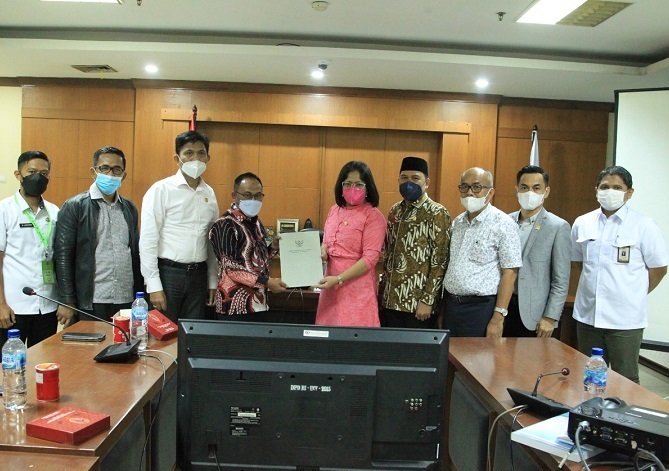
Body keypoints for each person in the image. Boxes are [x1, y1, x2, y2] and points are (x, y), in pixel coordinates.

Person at [572, 165, 668, 383]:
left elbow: (659, 269)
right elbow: (579, 262)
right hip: (588, 317)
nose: (610, 191)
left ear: (629, 193)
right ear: (596, 190)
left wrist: (634, 293)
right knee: (590, 377)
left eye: (617, 187)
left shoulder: (644, 225)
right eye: (605, 187)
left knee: (626, 380)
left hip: (625, 322)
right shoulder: (582, 222)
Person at [53, 146, 142, 325]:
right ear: (93, 172)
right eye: (104, 168)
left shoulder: (129, 208)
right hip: (91, 299)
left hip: (125, 296)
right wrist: (67, 299)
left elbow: (134, 253)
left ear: (124, 175)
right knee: (92, 343)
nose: (110, 174)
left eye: (117, 169)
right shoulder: (75, 206)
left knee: (124, 342)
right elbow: (63, 256)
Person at [139, 131, 219, 322]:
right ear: (177, 158)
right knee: (163, 333)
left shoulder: (209, 193)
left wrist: (212, 280)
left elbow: (211, 242)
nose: (195, 159)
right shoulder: (161, 190)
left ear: (208, 158)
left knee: (193, 331)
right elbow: (148, 240)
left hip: (198, 276)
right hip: (168, 275)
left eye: (201, 153)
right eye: (189, 153)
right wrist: (154, 285)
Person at [442, 167, 522, 337]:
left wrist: (498, 317)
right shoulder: (457, 222)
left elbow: (510, 273)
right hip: (451, 306)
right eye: (464, 187)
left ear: (490, 192)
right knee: (449, 353)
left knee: (477, 355)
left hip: (480, 309)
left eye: (477, 187)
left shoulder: (503, 224)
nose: (470, 192)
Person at [379, 156, 450, 328]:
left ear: (427, 182)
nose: (408, 182)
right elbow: (388, 254)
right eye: (404, 178)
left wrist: (428, 300)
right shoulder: (395, 211)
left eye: (415, 178)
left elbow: (440, 261)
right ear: (398, 180)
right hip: (390, 301)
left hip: (418, 306)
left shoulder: (437, 212)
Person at [315, 161, 386, 327]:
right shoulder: (334, 210)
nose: (352, 188)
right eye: (347, 183)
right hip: (330, 288)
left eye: (359, 184)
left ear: (368, 188)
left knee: (353, 337)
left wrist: (339, 279)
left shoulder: (373, 216)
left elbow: (370, 259)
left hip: (356, 291)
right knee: (326, 336)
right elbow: (326, 241)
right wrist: (323, 250)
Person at [0, 151, 60, 347]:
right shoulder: (4, 210)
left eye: (44, 173)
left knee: (43, 361)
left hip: (47, 304)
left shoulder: (54, 212)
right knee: (9, 361)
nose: (38, 177)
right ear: (18, 175)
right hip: (13, 308)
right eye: (32, 172)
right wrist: (1, 304)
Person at [209, 172, 287, 320]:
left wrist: (273, 247)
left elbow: (258, 261)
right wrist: (267, 283)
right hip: (234, 306)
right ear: (234, 195)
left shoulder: (257, 223)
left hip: (259, 304)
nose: (253, 200)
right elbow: (231, 269)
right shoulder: (225, 224)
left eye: (258, 195)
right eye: (247, 195)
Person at [505, 165, 571, 337]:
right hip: (503, 308)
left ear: (546, 191)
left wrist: (550, 317)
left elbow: (561, 280)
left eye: (536, 188)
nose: (530, 193)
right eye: (524, 188)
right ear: (516, 190)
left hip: (535, 315)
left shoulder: (558, 227)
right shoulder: (505, 221)